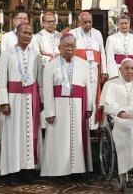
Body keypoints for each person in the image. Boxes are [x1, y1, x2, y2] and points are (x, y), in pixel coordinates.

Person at [41, 33, 93, 177]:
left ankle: (77, 170)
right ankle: (58, 171)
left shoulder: (84, 64)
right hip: (59, 107)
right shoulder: (51, 65)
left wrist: (89, 107)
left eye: (72, 45)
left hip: (78, 107)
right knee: (59, 140)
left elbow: (88, 87)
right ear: (59, 47)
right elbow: (47, 89)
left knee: (77, 137)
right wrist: (49, 112)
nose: (69, 48)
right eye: (66, 45)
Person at [0, 23, 43, 185]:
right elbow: (2, 80)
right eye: (24, 32)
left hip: (31, 99)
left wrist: (42, 100)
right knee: (13, 135)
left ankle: (28, 170)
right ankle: (12, 171)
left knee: (30, 134)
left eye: (30, 33)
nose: (27, 35)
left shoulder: (36, 55)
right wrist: (3, 101)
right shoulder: (7, 54)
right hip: (13, 99)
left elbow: (40, 81)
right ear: (17, 33)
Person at [70, 11, 107, 129]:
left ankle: (93, 126)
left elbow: (102, 53)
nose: (87, 25)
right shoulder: (73, 33)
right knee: (82, 94)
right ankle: (80, 124)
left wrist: (103, 71)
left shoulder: (97, 33)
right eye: (84, 22)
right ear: (79, 22)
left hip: (94, 70)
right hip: (79, 70)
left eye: (89, 22)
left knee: (94, 95)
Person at [106, 15, 133, 80]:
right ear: (117, 25)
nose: (124, 25)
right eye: (121, 24)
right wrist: (113, 74)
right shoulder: (111, 38)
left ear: (129, 24)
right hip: (118, 71)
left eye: (126, 23)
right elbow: (110, 59)